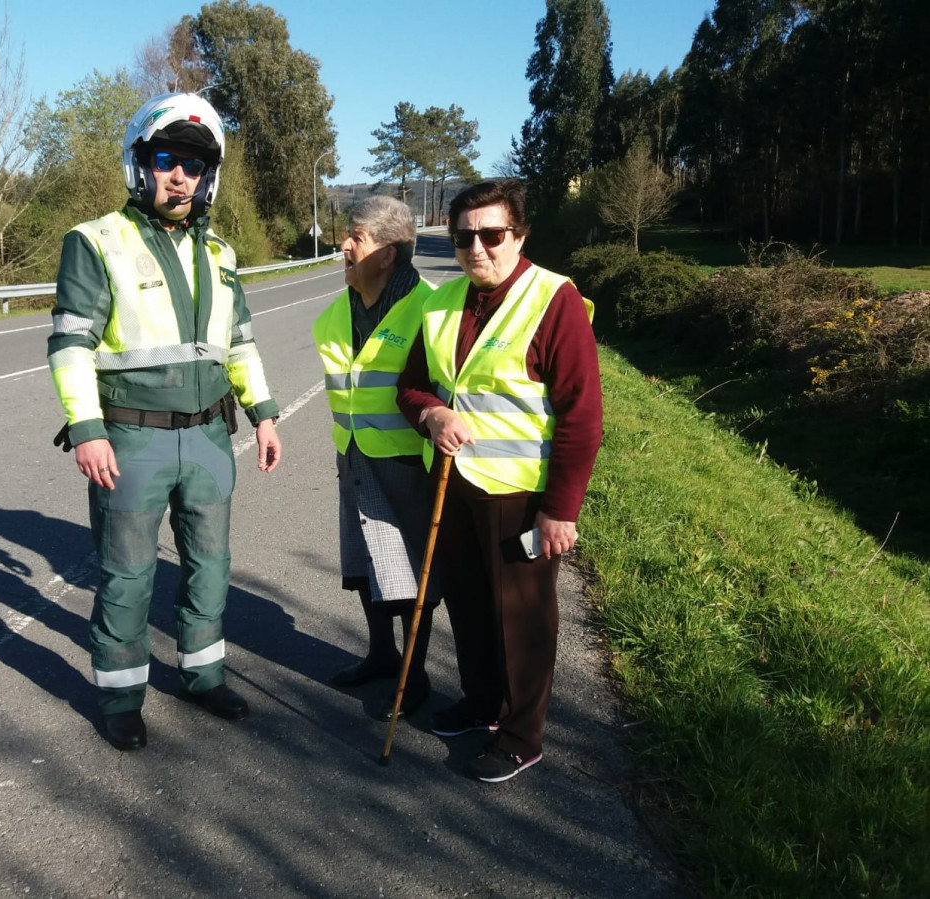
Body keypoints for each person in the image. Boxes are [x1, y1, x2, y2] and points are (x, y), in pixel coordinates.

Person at [47, 92, 282, 752]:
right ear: (141, 164)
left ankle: (203, 675)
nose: (180, 174)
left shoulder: (223, 255)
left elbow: (240, 344)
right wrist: (86, 426)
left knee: (210, 566)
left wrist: (264, 415)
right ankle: (120, 694)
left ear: (211, 176)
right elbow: (70, 344)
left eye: (195, 163)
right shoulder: (96, 241)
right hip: (131, 438)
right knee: (127, 574)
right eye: (166, 158)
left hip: (210, 436)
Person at [397, 179, 601, 782]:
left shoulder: (554, 299)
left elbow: (581, 416)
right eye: (464, 237)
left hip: (520, 493)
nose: (477, 249)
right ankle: (483, 704)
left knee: (522, 617)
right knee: (468, 604)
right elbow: (409, 388)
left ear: (519, 235)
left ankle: (520, 733)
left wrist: (560, 510)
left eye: (492, 235)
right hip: (452, 487)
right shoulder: (440, 302)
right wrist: (431, 414)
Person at [312, 196, 439, 719]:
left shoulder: (431, 308)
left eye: (356, 236)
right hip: (354, 453)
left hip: (410, 462)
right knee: (365, 561)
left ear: (388, 252)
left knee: (409, 570)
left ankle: (415, 675)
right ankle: (381, 654)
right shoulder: (339, 309)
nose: (344, 244)